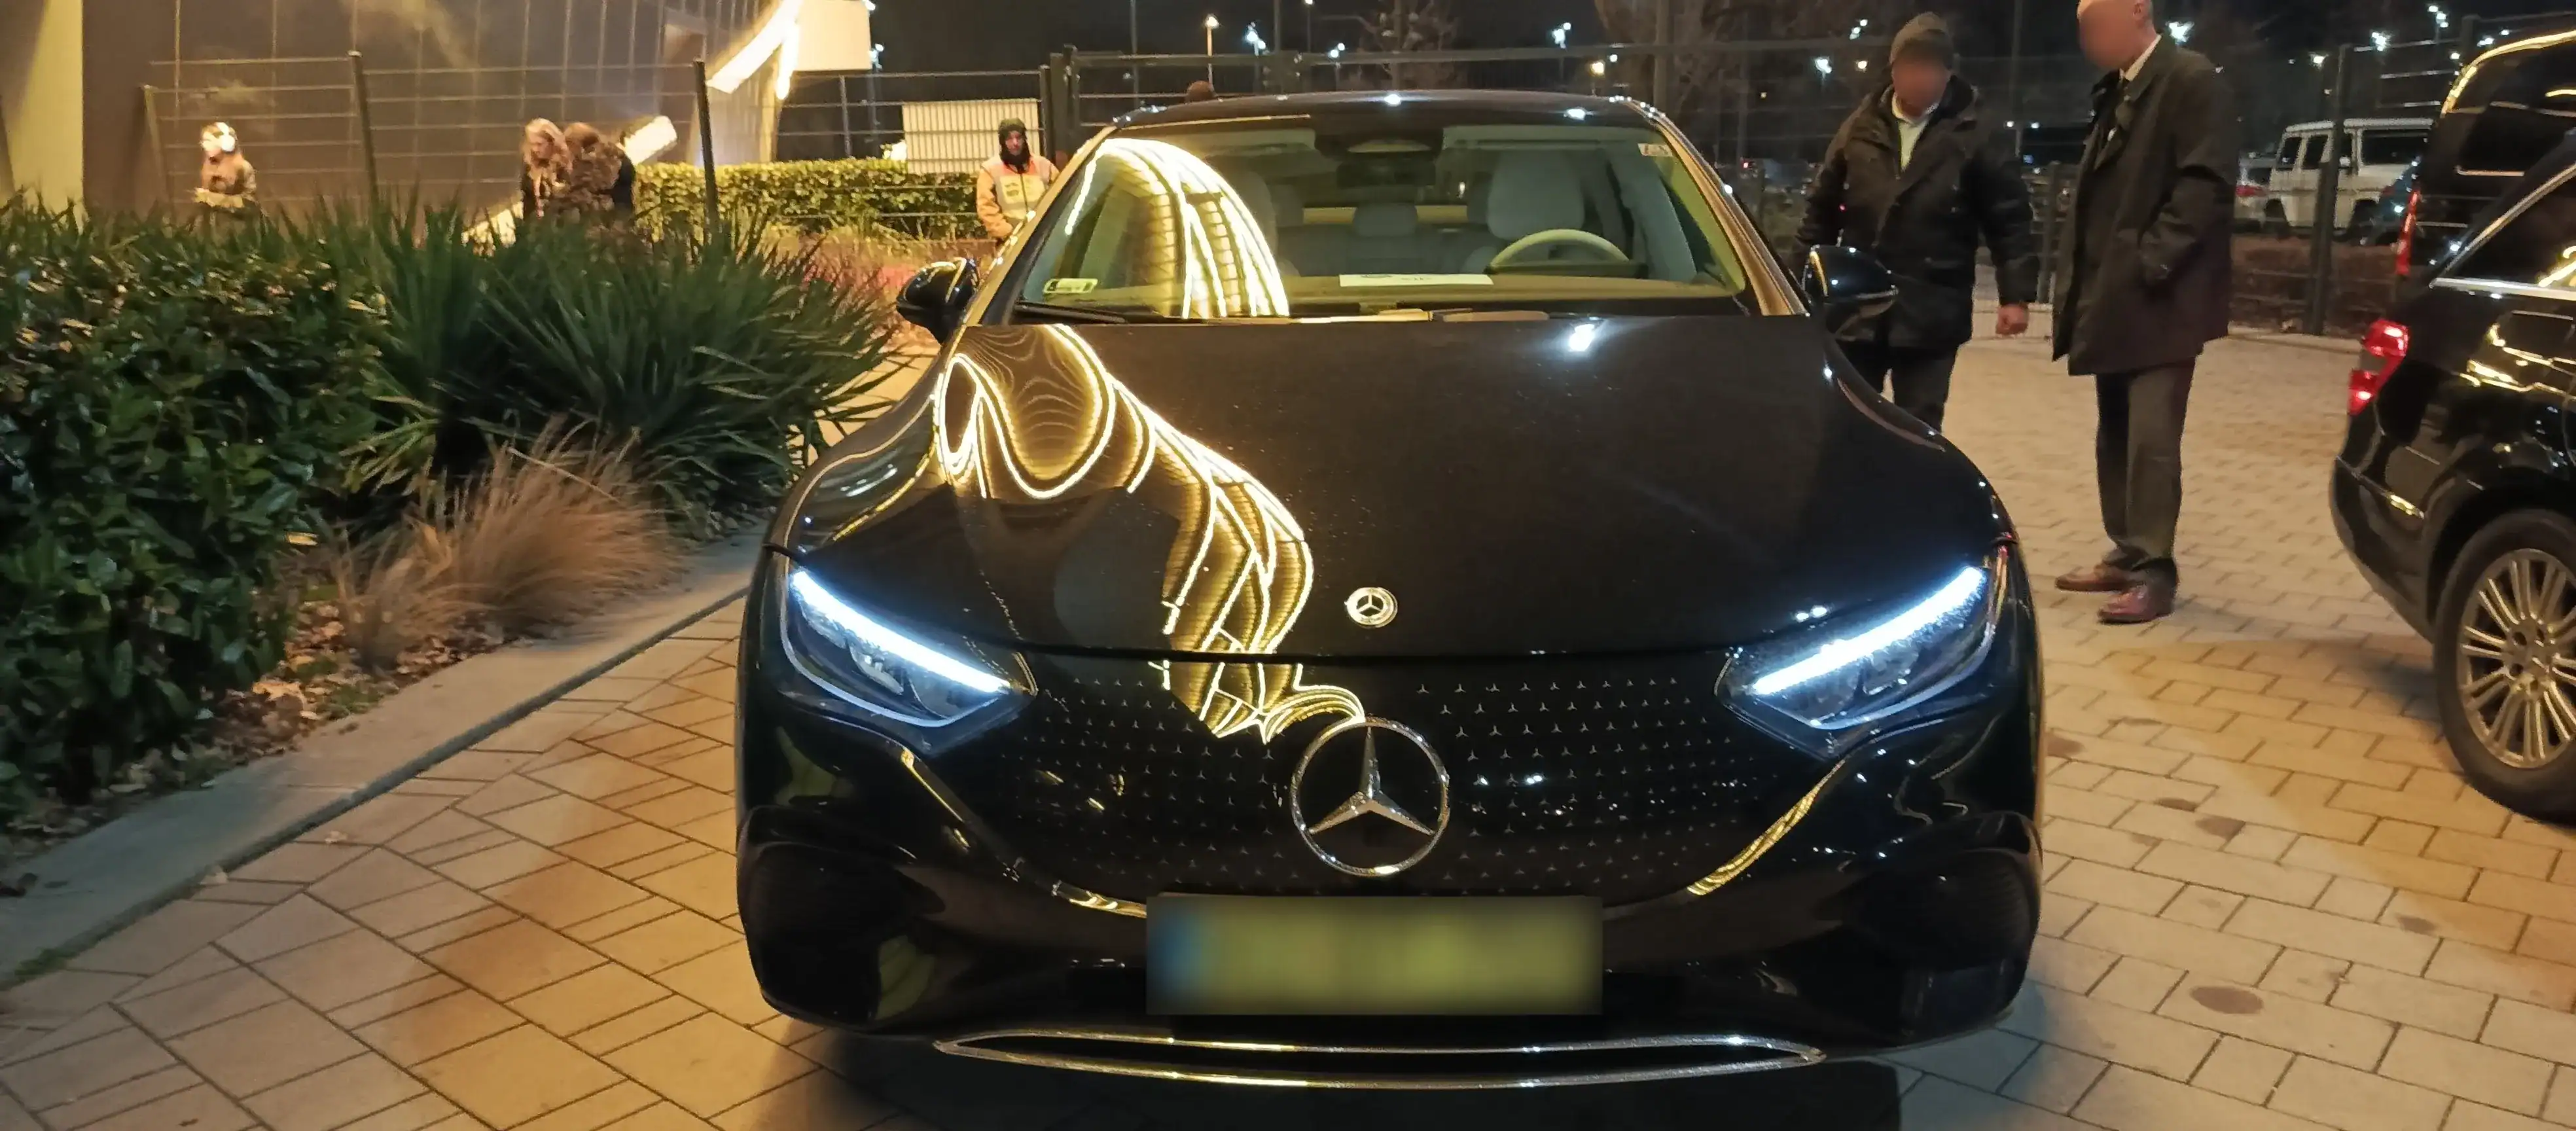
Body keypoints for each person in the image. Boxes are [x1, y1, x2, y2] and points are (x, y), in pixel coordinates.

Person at [2053, 0, 2237, 624]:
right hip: (2115, 297)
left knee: (2153, 440)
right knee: (2117, 429)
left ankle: (2155, 570)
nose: (2087, 39)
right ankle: (2127, 552)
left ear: (2138, 11)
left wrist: (2151, 260)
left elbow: (2206, 182)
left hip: (2163, 301)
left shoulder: (2188, 79)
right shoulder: (2118, 89)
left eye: (2094, 24)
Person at [1798, 13, 2037, 432]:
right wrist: (1794, 284)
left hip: (1933, 309)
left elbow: (2009, 217)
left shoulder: (1976, 132)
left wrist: (2014, 296)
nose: (1919, 79)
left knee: (1919, 426)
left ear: (1947, 73)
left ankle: (1912, 497)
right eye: (1911, 68)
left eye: (1930, 69)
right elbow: (1820, 209)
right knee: (1851, 422)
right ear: (1894, 71)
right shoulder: (1860, 126)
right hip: (1859, 310)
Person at [976, 118, 1058, 242]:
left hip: (1044, 238)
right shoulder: (990, 170)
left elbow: (1060, 194)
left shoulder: (1044, 165)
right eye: (1009, 139)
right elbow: (986, 207)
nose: (1015, 143)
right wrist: (1007, 233)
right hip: (1009, 241)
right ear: (1002, 142)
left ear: (1025, 139)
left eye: (1019, 137)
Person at [552, 122, 637, 222]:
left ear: (577, 143)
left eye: (570, 145)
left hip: (609, 215)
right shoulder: (613, 153)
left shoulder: (596, 159)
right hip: (620, 209)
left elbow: (586, 189)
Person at [194, 122, 257, 219]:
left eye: (209, 141)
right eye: (204, 141)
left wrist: (211, 198)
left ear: (226, 144)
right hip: (213, 223)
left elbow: (249, 203)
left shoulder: (243, 167)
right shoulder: (209, 166)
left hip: (238, 224)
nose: (205, 146)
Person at [518, 118, 570, 220]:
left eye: (539, 144)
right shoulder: (529, 166)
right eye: (532, 144)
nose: (535, 149)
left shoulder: (564, 167)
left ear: (552, 142)